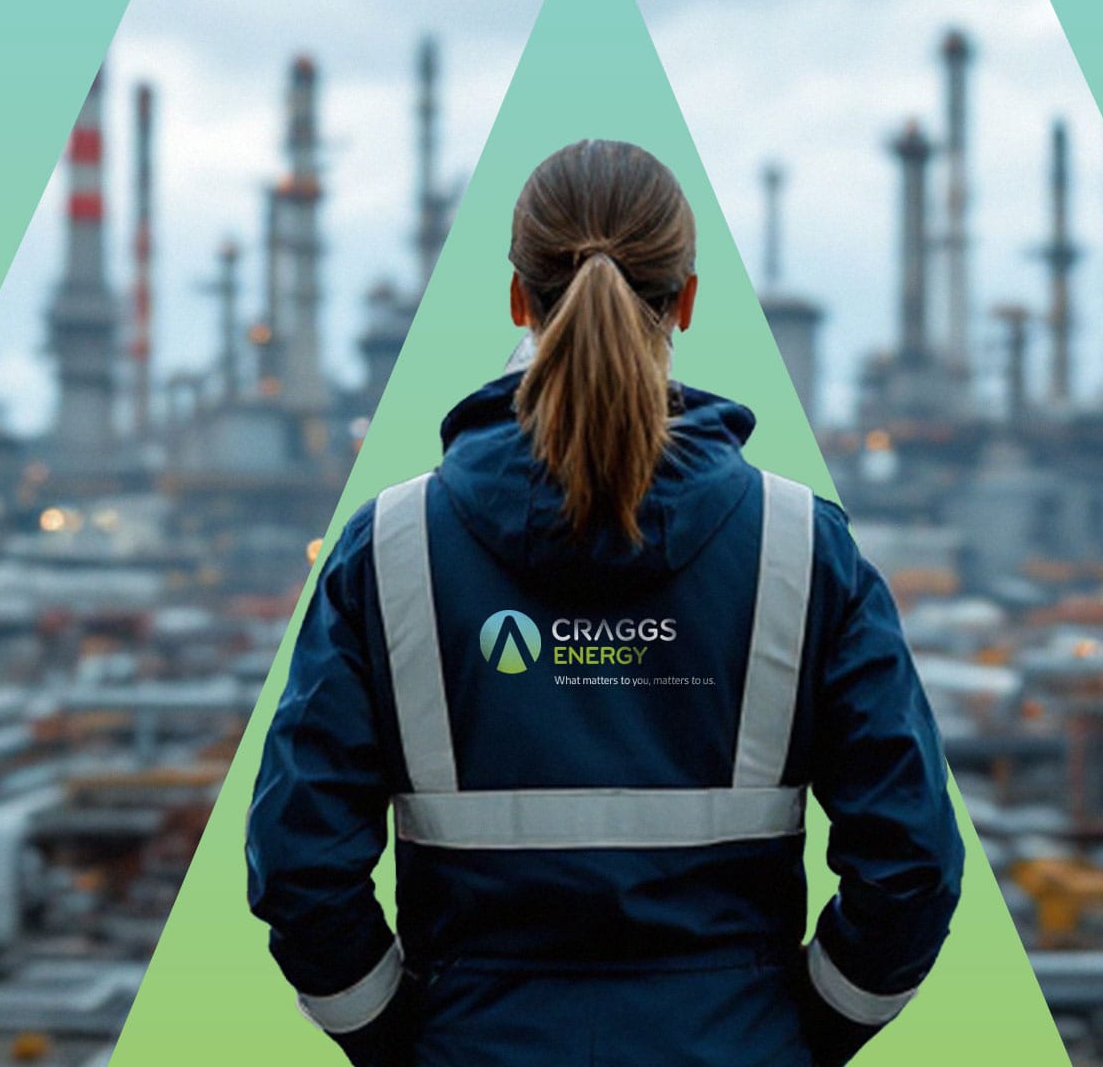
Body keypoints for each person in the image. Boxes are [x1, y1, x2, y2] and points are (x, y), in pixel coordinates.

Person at [246, 139, 963, 1066]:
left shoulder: (389, 550)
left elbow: (301, 868)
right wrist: (794, 1035)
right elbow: (910, 865)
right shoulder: (801, 548)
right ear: (687, 301)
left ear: (518, 296)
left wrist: (403, 1043)